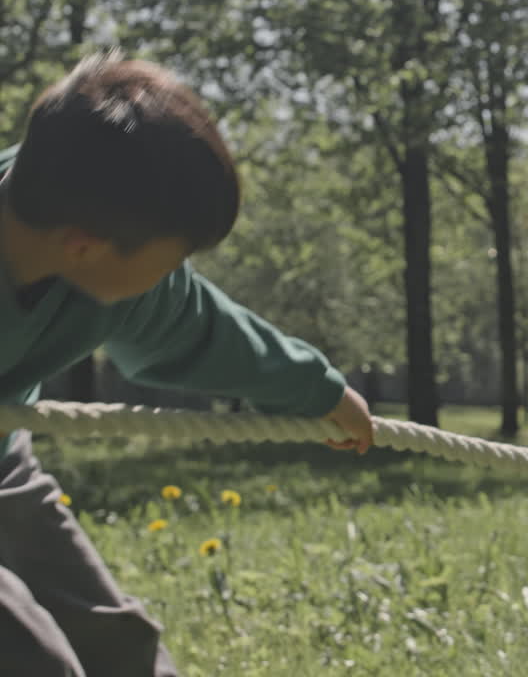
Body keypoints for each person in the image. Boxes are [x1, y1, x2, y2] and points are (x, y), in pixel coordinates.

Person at [0, 50, 376, 676]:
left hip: (3, 463)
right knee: (34, 663)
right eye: (171, 259)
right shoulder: (91, 235)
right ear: (84, 246)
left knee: (122, 649)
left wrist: (318, 390)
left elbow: (199, 329)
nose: (174, 276)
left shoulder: (88, 228)